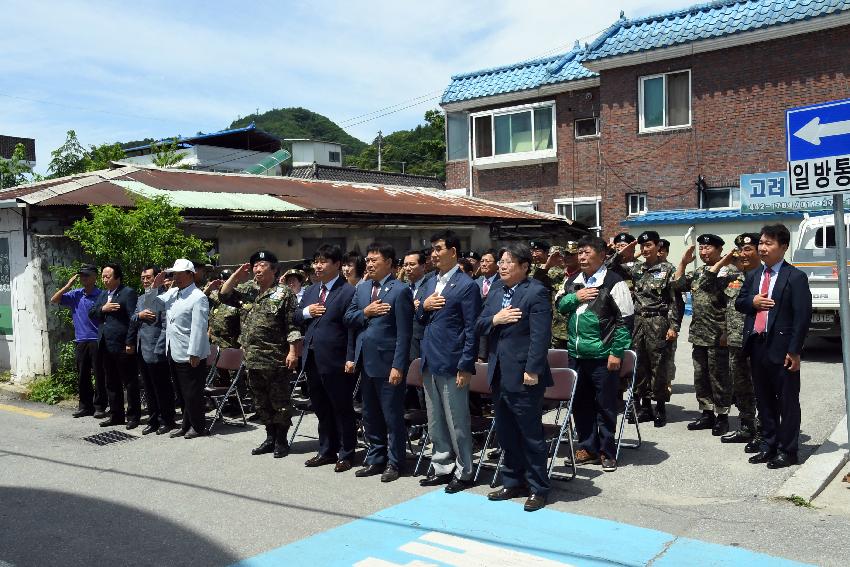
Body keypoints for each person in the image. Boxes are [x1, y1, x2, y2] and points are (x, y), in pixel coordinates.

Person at [476, 243, 553, 512]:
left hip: (524, 374)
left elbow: (540, 336)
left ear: (524, 266)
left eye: (509, 262)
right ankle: (512, 480)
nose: (502, 266)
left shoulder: (537, 292)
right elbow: (479, 324)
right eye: (501, 261)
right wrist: (496, 319)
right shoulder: (496, 291)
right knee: (506, 432)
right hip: (499, 372)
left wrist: (532, 369)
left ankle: (538, 487)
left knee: (529, 433)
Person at [737, 224, 811, 468]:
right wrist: (753, 301)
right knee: (764, 399)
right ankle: (768, 444)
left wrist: (795, 351)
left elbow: (802, 318)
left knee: (787, 402)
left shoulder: (795, 277)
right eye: (761, 243)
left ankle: (788, 451)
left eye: (768, 243)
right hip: (757, 345)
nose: (762, 248)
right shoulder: (755, 275)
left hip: (783, 349)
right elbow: (740, 302)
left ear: (784, 247)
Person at [557, 236, 632, 472]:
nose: (582, 257)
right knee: (580, 403)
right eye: (579, 252)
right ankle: (588, 448)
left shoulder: (613, 281)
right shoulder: (573, 281)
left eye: (587, 252)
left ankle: (607, 451)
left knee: (605, 404)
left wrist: (616, 353)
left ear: (602, 256)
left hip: (603, 354)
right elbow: (559, 305)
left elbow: (626, 321)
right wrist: (574, 297)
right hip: (576, 355)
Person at [416, 230, 481, 492]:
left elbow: (471, 329)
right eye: (432, 249)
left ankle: (465, 471)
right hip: (430, 359)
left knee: (457, 420)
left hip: (453, 362)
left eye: (438, 249)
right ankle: (442, 465)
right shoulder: (430, 282)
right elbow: (419, 317)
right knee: (435, 419)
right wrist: (424, 306)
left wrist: (466, 365)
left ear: (453, 252)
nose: (433, 254)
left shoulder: (467, 285)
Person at [220, 250, 301, 457]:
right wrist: (236, 276)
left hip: (276, 358)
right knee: (261, 402)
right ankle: (270, 437)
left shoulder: (284, 293)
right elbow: (223, 295)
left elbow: (293, 325)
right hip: (252, 359)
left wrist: (293, 352)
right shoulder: (248, 290)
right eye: (255, 265)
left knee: (279, 402)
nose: (257, 268)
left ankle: (281, 440)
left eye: (262, 265)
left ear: (274, 269)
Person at [345, 242, 413, 482]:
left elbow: (405, 333)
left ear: (389, 263)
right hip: (366, 362)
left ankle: (395, 462)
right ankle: (376, 458)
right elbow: (349, 318)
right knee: (370, 414)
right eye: (368, 260)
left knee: (392, 415)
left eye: (375, 260)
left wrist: (398, 365)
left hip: (388, 363)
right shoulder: (362, 290)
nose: (369, 264)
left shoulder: (400, 290)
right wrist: (366, 313)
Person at [295, 244, 357, 472]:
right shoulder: (311, 290)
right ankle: (326, 450)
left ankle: (346, 452)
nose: (317, 266)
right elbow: (295, 316)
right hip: (311, 357)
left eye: (323, 262)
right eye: (316, 261)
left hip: (337, 359)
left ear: (337, 265)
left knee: (341, 407)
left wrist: (351, 358)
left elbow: (352, 329)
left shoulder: (348, 291)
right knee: (320, 407)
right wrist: (306, 312)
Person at [673, 234, 734, 436]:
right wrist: (682, 262)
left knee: (719, 377)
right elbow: (678, 284)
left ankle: (722, 416)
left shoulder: (728, 272)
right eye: (701, 248)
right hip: (699, 334)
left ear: (719, 250)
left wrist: (726, 332)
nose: (704, 252)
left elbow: (731, 306)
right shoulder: (698, 272)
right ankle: (707, 413)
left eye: (708, 248)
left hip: (718, 335)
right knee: (701, 377)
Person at [706, 233, 761, 445]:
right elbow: (706, 284)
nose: (743, 254)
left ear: (759, 251)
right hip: (735, 342)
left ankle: (763, 431)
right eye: (740, 250)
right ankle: (747, 427)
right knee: (741, 388)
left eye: (748, 249)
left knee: (761, 389)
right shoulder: (733, 278)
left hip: (757, 342)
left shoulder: (765, 277)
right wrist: (724, 261)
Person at [626, 231, 681, 427]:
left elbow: (675, 301)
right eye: (642, 246)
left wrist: (674, 326)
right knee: (640, 366)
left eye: (648, 245)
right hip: (639, 322)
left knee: (659, 366)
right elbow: (610, 266)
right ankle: (645, 407)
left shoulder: (668, 270)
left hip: (658, 322)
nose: (645, 249)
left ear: (658, 247)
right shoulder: (636, 268)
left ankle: (660, 408)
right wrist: (626, 251)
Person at [150, 260, 210, 439]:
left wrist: (195, 352)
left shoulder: (198, 297)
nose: (175, 277)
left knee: (192, 392)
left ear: (190, 274)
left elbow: (199, 327)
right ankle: (186, 424)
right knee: (182, 392)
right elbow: (152, 304)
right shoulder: (173, 292)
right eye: (174, 273)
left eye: (179, 273)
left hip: (190, 352)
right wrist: (155, 286)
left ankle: (198, 426)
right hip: (173, 349)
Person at [50, 264, 106, 418]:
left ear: (95, 277)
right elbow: (54, 300)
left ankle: (100, 406)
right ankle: (85, 407)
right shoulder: (75, 294)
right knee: (83, 375)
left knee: (99, 374)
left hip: (96, 340)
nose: (83, 278)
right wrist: (67, 286)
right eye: (81, 275)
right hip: (81, 340)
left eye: (86, 275)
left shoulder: (101, 295)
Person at [89, 264, 139, 429]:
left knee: (129, 381)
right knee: (111, 382)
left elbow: (133, 319)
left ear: (117, 277)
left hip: (122, 344)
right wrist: (104, 308)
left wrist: (130, 342)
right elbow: (92, 312)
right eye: (103, 276)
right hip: (105, 344)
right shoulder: (103, 294)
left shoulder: (128, 293)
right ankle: (116, 415)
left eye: (108, 276)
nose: (104, 279)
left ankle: (133, 416)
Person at [131, 266, 175, 435]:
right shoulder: (142, 298)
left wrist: (160, 348)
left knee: (162, 388)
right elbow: (133, 318)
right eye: (142, 277)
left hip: (157, 349)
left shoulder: (164, 297)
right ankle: (153, 420)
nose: (145, 280)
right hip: (142, 348)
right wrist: (140, 315)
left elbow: (165, 325)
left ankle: (167, 420)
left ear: (157, 277)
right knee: (148, 388)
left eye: (148, 277)